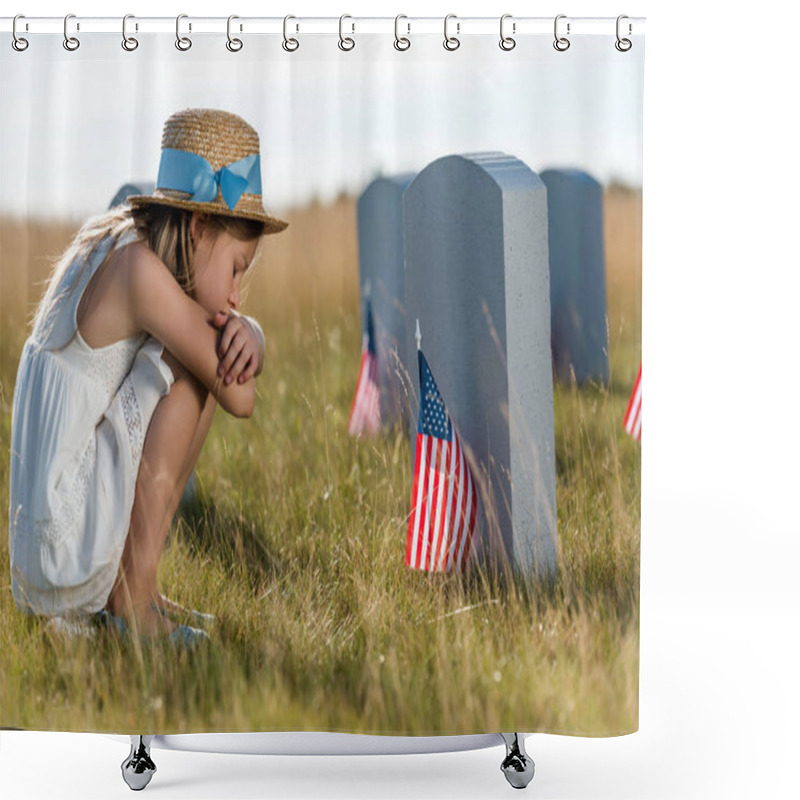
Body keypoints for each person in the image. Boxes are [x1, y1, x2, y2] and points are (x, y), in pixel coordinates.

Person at [7, 108, 288, 648]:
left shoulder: (117, 242)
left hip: (43, 541)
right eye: (236, 269)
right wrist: (250, 336)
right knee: (194, 367)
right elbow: (241, 395)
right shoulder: (138, 273)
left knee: (203, 352)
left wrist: (252, 330)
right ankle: (130, 601)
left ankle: (140, 590)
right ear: (200, 225)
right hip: (64, 543)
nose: (234, 294)